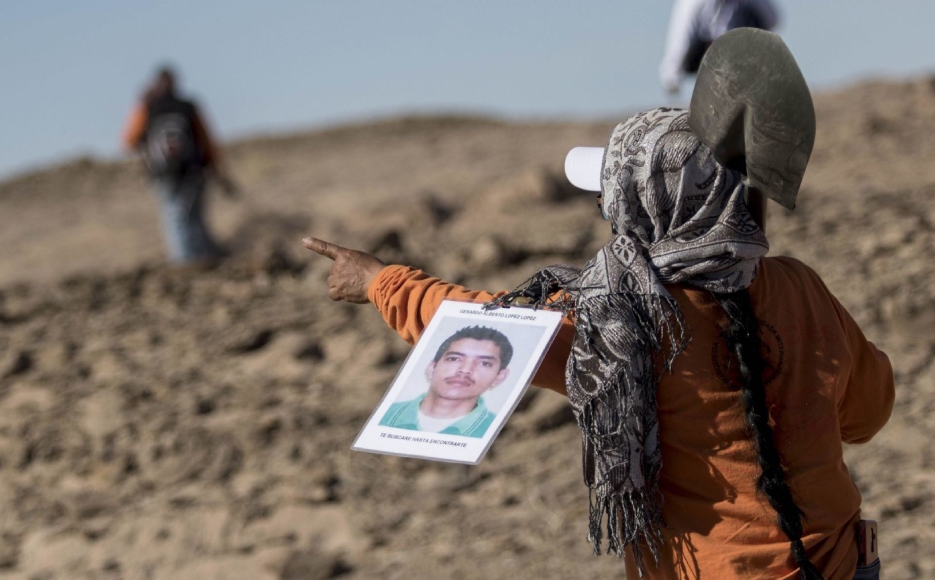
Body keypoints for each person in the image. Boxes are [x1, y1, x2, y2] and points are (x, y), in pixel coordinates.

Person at [304, 30, 891, 580]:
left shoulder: (612, 317)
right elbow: (868, 412)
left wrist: (380, 281)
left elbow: (479, 322)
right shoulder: (802, 288)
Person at [122, 66, 238, 266]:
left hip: (163, 173)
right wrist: (218, 172)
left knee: (175, 217)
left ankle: (187, 260)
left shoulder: (147, 107)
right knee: (192, 216)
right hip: (192, 171)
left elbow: (129, 140)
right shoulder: (187, 106)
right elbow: (206, 141)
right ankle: (201, 257)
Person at [380, 325, 512, 438]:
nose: (465, 370)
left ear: (499, 377)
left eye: (484, 363)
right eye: (454, 359)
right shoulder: (386, 415)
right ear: (432, 367)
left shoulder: (499, 431)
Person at [659, 0, 779, 94]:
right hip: (708, 56)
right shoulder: (692, 3)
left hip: (743, 55)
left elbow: (772, 20)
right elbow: (682, 37)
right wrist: (672, 75)